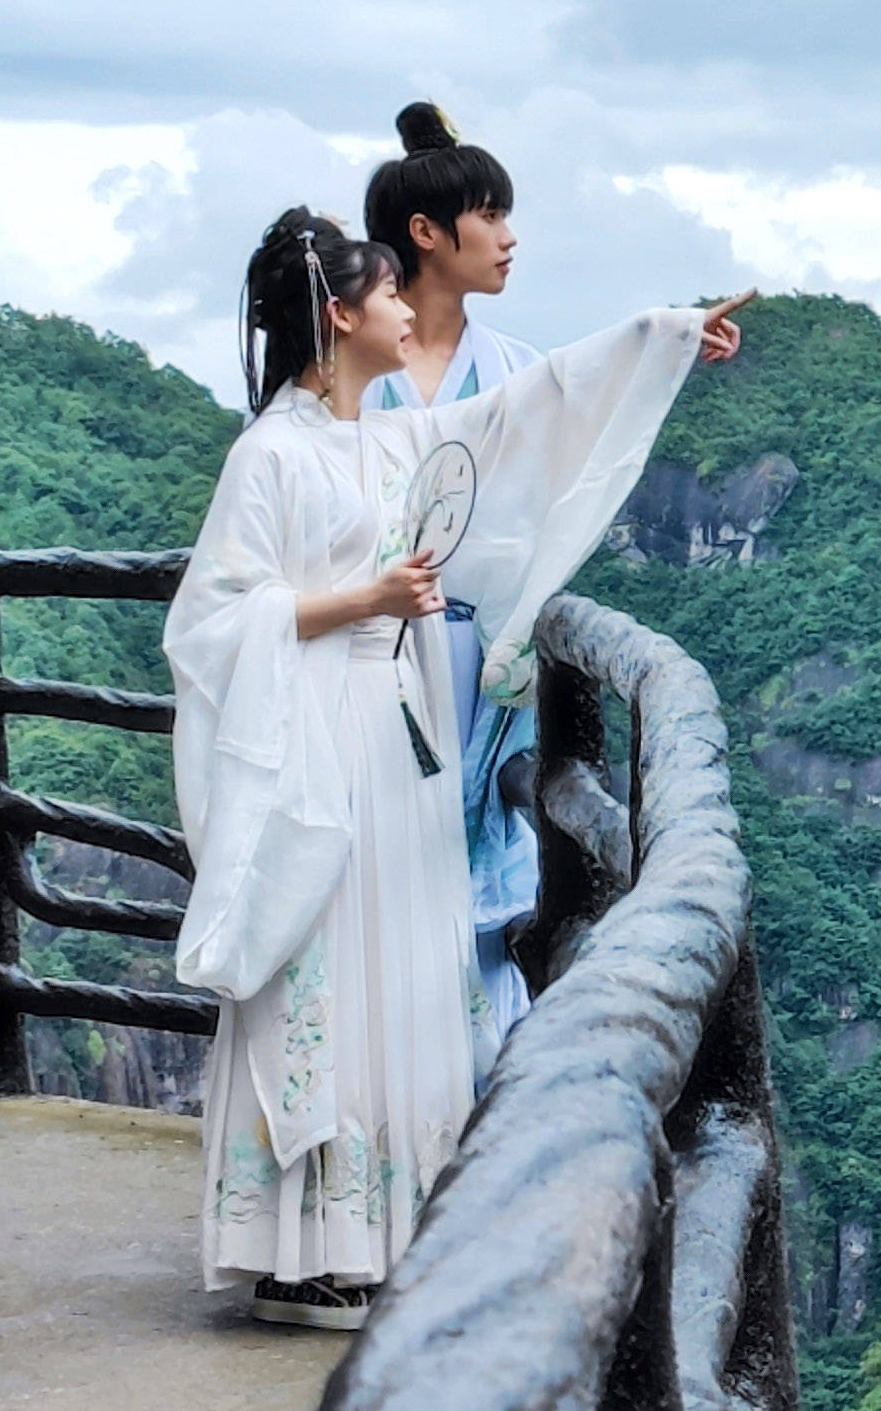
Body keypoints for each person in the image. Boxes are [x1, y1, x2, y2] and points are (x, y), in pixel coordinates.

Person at [164, 205, 747, 1330]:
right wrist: (363, 600)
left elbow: (529, 411)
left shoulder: (384, 437)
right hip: (318, 745)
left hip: (395, 743)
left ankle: (381, 1233)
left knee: (404, 973)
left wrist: (664, 336)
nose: (402, 310)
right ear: (339, 314)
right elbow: (209, 624)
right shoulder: (271, 452)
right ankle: (304, 1249)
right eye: (384, 294)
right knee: (324, 973)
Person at [360, 104, 544, 1070]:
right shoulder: (350, 370)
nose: (509, 238)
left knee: (466, 885)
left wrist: (677, 344)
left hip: (477, 660)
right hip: (372, 654)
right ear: (427, 234)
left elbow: (592, 423)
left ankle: (467, 1100)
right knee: (377, 885)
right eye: (490, 216)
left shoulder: (514, 373)